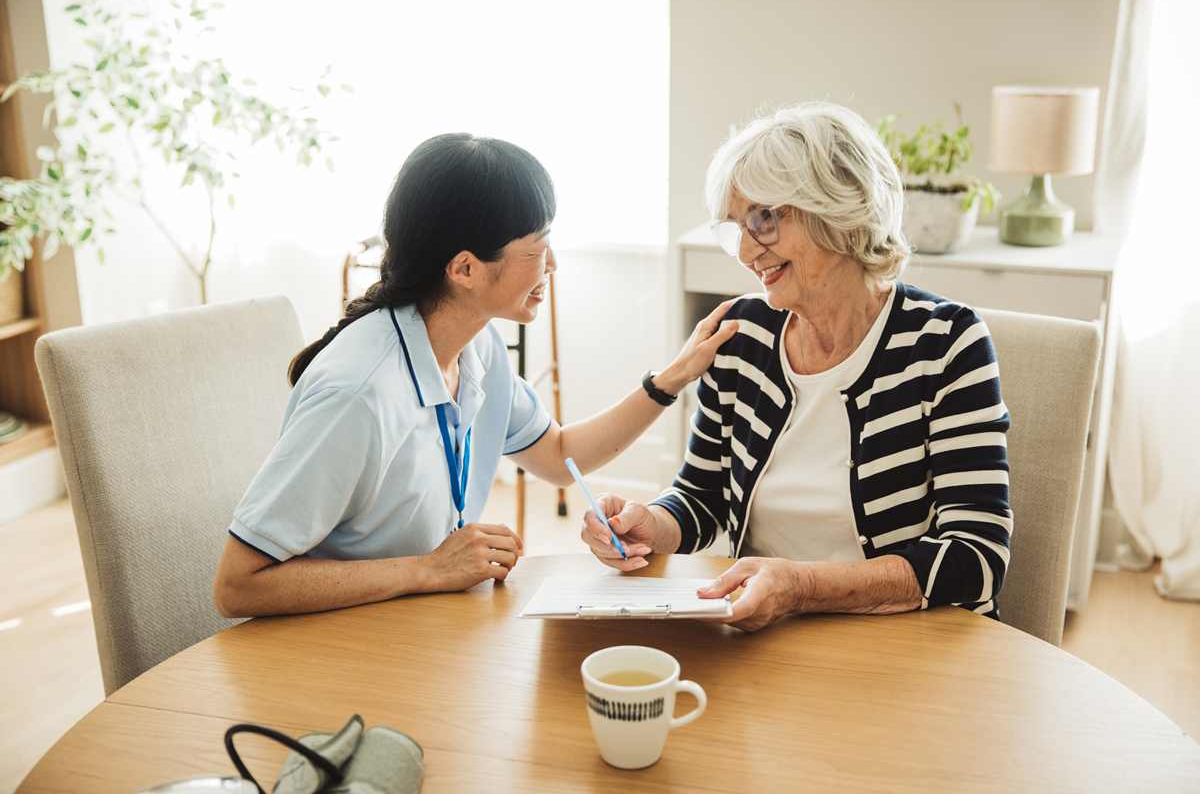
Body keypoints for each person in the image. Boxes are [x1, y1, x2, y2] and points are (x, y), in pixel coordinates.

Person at [212, 133, 737, 617]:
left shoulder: (477, 345)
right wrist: (428, 569)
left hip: (420, 626)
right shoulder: (358, 395)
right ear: (464, 269)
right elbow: (238, 585)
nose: (552, 264)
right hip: (342, 642)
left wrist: (672, 378)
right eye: (537, 249)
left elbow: (557, 457)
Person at [580, 103, 1012, 632]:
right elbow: (702, 497)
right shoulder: (743, 335)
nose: (743, 251)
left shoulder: (945, 342)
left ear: (839, 209)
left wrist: (803, 588)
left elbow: (978, 557)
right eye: (735, 227)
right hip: (761, 629)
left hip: (901, 637)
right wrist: (652, 525)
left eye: (763, 218)